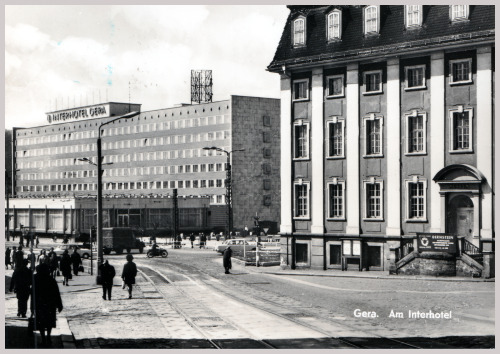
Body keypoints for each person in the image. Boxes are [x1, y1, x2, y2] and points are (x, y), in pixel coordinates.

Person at [31, 262, 63, 347]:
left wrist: (31, 306)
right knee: (49, 321)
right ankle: (48, 336)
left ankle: (43, 339)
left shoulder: (35, 279)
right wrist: (59, 305)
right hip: (50, 304)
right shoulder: (51, 279)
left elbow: (33, 293)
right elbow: (56, 293)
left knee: (41, 322)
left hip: (39, 304)